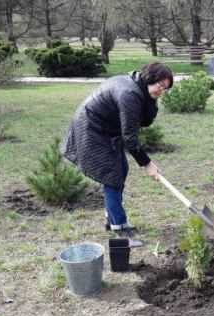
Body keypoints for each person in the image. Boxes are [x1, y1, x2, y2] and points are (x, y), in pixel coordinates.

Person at [60, 62, 173, 247]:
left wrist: (152, 98)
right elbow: (130, 138)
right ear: (148, 79)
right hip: (91, 130)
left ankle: (111, 218)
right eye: (160, 86)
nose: (162, 91)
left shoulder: (139, 89)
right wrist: (148, 164)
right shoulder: (130, 94)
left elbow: (145, 120)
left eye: (166, 88)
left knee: (122, 168)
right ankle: (120, 230)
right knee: (112, 178)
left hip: (106, 130)